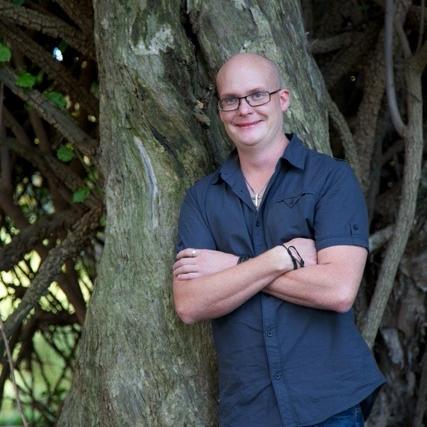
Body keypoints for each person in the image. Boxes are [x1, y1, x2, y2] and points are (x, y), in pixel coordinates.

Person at [172, 53, 385, 427]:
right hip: (249, 410)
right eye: (231, 100)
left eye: (257, 95)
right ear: (220, 110)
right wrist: (280, 259)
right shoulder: (202, 199)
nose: (244, 109)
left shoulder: (330, 179)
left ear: (282, 99)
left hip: (329, 403)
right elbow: (190, 303)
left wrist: (232, 266)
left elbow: (338, 290)